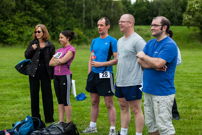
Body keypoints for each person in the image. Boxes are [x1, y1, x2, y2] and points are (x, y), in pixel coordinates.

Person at [136, 16, 178, 135]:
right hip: (149, 90)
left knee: (164, 127)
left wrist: (145, 57)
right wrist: (154, 64)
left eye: (155, 25)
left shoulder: (170, 45)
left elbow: (156, 62)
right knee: (151, 126)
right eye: (151, 25)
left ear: (164, 28)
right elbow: (140, 62)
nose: (152, 28)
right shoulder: (150, 43)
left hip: (162, 92)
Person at [81, 17, 117, 135]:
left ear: (108, 26)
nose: (99, 27)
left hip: (106, 75)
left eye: (101, 25)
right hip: (93, 75)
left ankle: (112, 129)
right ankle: (92, 126)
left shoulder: (113, 41)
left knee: (108, 103)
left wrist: (102, 64)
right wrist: (89, 73)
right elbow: (91, 57)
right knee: (94, 101)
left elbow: (117, 60)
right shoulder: (94, 41)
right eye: (98, 25)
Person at [115, 14, 145, 135]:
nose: (120, 24)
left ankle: (138, 134)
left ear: (130, 23)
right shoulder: (119, 40)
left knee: (136, 109)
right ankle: (123, 133)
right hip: (120, 81)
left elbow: (146, 59)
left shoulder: (138, 40)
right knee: (123, 107)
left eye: (122, 22)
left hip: (133, 81)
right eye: (119, 21)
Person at [25, 24, 55, 123]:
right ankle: (36, 119)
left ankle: (49, 119)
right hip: (34, 72)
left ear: (44, 32)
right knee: (34, 96)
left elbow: (53, 60)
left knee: (47, 96)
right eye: (35, 32)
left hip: (46, 72)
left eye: (39, 31)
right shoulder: (33, 43)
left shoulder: (50, 45)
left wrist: (53, 74)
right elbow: (26, 55)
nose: (37, 33)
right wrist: (32, 48)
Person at [49, 30, 76, 123]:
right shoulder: (59, 50)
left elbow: (63, 61)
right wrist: (58, 61)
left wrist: (58, 61)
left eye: (61, 37)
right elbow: (50, 63)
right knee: (59, 100)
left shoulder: (71, 49)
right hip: (56, 76)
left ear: (67, 38)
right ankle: (61, 122)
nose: (59, 39)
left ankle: (68, 123)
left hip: (65, 76)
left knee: (66, 101)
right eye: (59, 37)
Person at [168, 30, 181, 120]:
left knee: (169, 91)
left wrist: (167, 65)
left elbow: (178, 60)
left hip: (168, 72)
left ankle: (175, 114)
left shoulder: (173, 46)